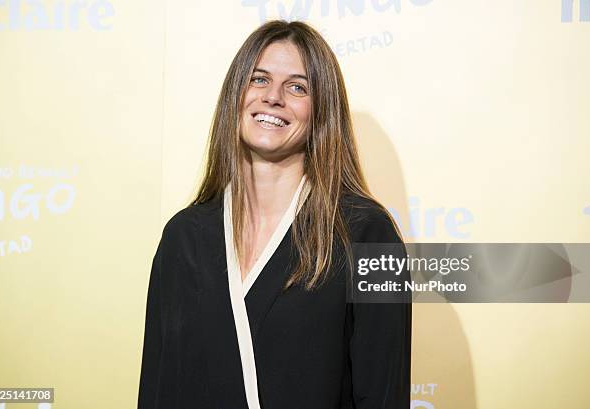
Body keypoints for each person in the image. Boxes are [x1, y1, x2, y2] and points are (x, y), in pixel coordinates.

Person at [138, 19, 411, 409]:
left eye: (297, 87)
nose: (273, 97)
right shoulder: (182, 237)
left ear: (322, 111)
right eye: (259, 79)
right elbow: (156, 388)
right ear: (237, 94)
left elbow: (385, 396)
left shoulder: (370, 234)